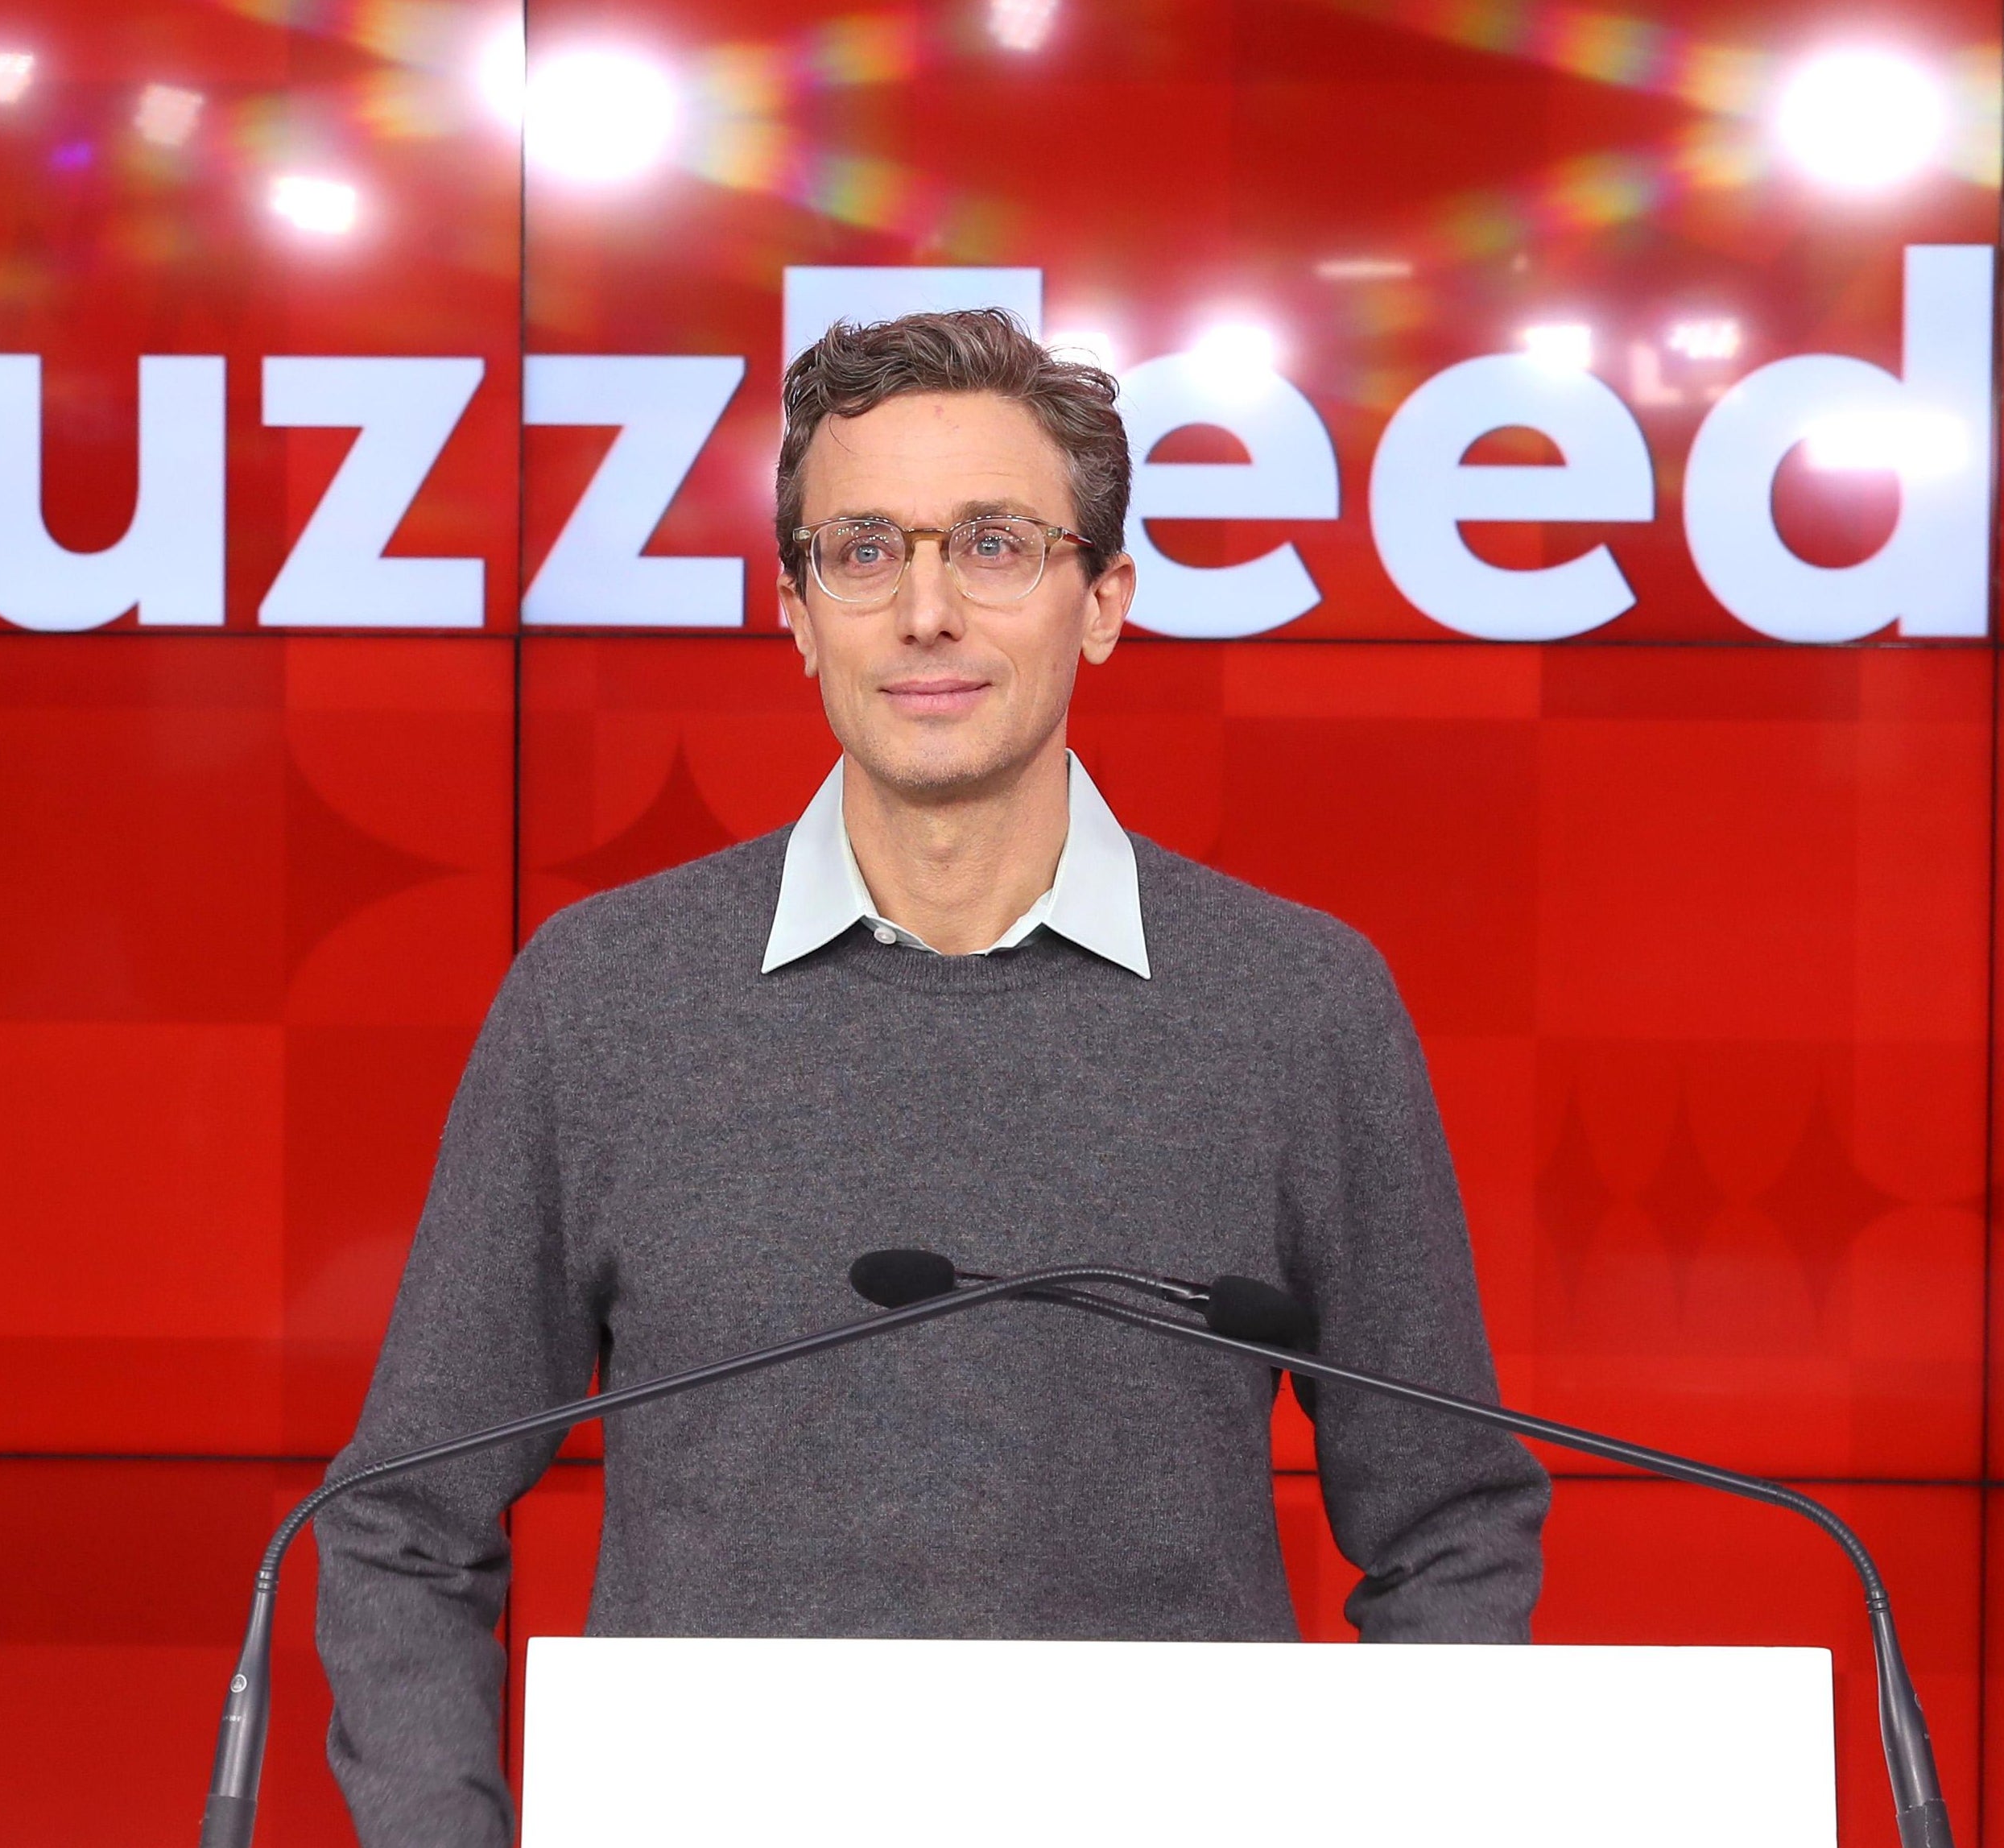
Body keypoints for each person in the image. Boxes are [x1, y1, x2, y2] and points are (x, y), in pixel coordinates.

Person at [315, 308, 1550, 1845]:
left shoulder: (1296, 1005)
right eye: (863, 552)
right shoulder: (603, 997)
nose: (925, 613)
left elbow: (1450, 1522)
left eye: (994, 546)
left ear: (1104, 601)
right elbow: (400, 1522)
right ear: (795, 610)